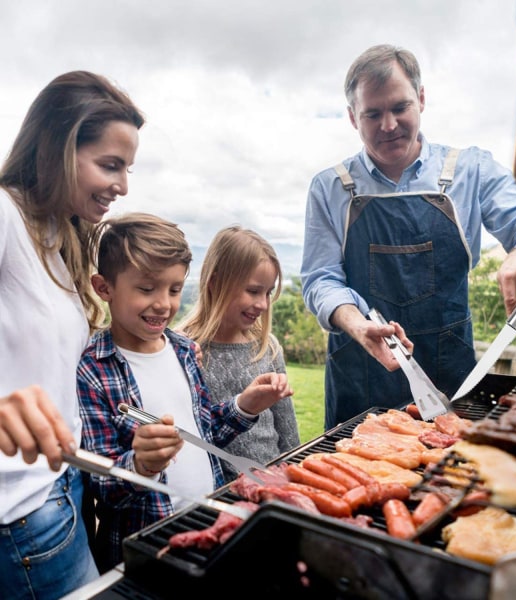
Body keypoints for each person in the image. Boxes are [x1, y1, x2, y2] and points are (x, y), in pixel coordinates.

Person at [301, 44, 516, 430]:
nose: (388, 125)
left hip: (451, 373)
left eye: (399, 108)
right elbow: (320, 279)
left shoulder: (470, 169)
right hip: (358, 372)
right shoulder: (330, 187)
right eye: (373, 113)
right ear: (352, 117)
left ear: (421, 99)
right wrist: (356, 323)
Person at [77, 213, 293, 573]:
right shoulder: (93, 370)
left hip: (209, 522)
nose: (163, 303)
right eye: (147, 289)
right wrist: (143, 464)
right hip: (148, 543)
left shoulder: (182, 351)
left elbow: (204, 433)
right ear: (104, 288)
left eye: (174, 289)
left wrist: (245, 405)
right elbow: (104, 486)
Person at [0, 71, 144, 599]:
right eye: (110, 165)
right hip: (21, 512)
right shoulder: (4, 215)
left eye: (127, 168)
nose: (123, 186)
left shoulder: (62, 237)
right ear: (58, 147)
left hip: (64, 488)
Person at [179, 225, 301, 483]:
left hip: (273, 482)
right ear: (215, 283)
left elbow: (287, 428)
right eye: (254, 291)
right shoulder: (185, 350)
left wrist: (293, 477)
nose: (263, 304)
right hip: (219, 491)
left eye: (268, 293)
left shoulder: (267, 347)